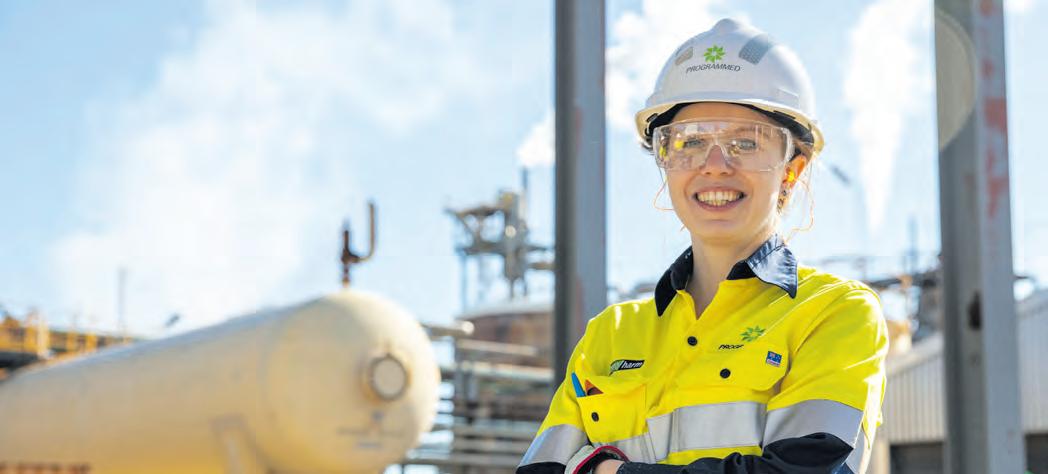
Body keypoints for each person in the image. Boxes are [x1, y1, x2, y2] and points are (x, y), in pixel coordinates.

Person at [516, 18, 888, 474]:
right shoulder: (609, 335)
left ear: (791, 171)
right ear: (665, 161)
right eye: (689, 142)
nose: (714, 165)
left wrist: (609, 471)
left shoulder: (833, 314)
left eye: (745, 143)